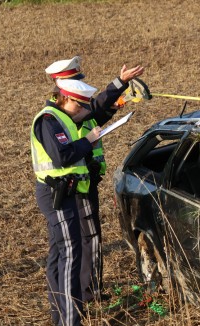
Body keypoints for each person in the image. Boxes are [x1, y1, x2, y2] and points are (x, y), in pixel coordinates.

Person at [45, 56, 145, 303]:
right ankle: (88, 294)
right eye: (75, 81)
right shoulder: (58, 117)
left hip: (80, 182)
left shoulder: (66, 110)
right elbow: (94, 112)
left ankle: (76, 295)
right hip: (76, 185)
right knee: (85, 239)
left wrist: (119, 87)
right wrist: (116, 88)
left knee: (68, 245)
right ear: (63, 88)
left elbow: (96, 111)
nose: (82, 85)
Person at [31, 79, 102, 326]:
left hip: (65, 192)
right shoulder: (49, 121)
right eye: (79, 104)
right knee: (71, 253)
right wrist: (88, 141)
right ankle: (70, 324)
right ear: (66, 99)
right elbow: (62, 156)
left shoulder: (62, 118)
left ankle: (61, 316)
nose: (82, 110)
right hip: (56, 195)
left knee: (60, 253)